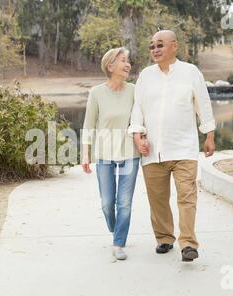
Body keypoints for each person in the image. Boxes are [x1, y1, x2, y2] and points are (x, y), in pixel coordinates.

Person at [128, 30, 216, 262]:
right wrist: (138, 136)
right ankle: (165, 238)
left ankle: (188, 243)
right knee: (157, 200)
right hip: (152, 151)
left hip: (184, 148)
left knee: (187, 196)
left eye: (160, 45)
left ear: (174, 46)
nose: (155, 49)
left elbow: (203, 104)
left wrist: (209, 135)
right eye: (151, 46)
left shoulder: (190, 72)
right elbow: (138, 108)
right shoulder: (146, 76)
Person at [81, 47, 140, 261]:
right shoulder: (96, 93)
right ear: (110, 66)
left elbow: (140, 120)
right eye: (123, 61)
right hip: (104, 154)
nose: (128, 64)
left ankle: (118, 243)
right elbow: (88, 125)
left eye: (128, 60)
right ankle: (116, 228)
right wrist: (85, 155)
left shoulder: (134, 90)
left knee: (124, 202)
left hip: (129, 153)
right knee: (108, 203)